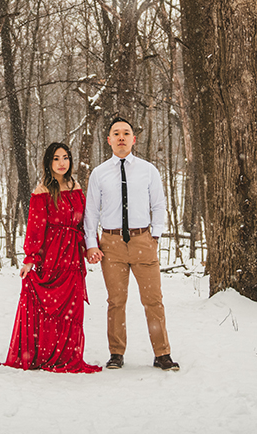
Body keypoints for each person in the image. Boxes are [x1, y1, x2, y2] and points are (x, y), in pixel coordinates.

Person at [84, 117, 179, 372]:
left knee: (153, 300)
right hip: (111, 244)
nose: (122, 137)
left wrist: (155, 236)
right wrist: (91, 244)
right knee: (116, 300)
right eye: (116, 133)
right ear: (109, 140)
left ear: (133, 139)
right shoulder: (99, 173)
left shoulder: (148, 170)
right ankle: (116, 353)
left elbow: (158, 205)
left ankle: (162, 353)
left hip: (142, 241)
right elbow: (91, 212)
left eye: (126, 133)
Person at [2, 142, 101, 373]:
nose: (61, 163)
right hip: (52, 256)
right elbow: (35, 228)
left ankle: (68, 356)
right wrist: (30, 258)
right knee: (51, 308)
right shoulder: (42, 191)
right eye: (56, 158)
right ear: (49, 162)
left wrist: (91, 246)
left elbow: (85, 221)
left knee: (73, 309)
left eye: (65, 157)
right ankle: (48, 354)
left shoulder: (76, 187)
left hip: (73, 258)